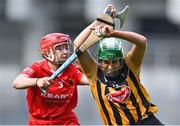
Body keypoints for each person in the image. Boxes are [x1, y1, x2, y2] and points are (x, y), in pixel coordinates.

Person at [73, 4, 163, 125]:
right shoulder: (93, 72)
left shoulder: (130, 64)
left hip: (147, 122)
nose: (110, 67)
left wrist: (113, 33)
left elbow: (142, 42)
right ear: (99, 60)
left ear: (120, 59)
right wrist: (98, 22)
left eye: (114, 61)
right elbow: (77, 46)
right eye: (105, 62)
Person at [13, 33, 88, 125]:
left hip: (66, 121)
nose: (65, 52)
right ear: (47, 52)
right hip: (39, 122)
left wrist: (87, 69)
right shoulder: (37, 68)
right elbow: (17, 83)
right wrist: (37, 81)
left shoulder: (72, 70)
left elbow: (91, 81)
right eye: (59, 49)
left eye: (66, 48)